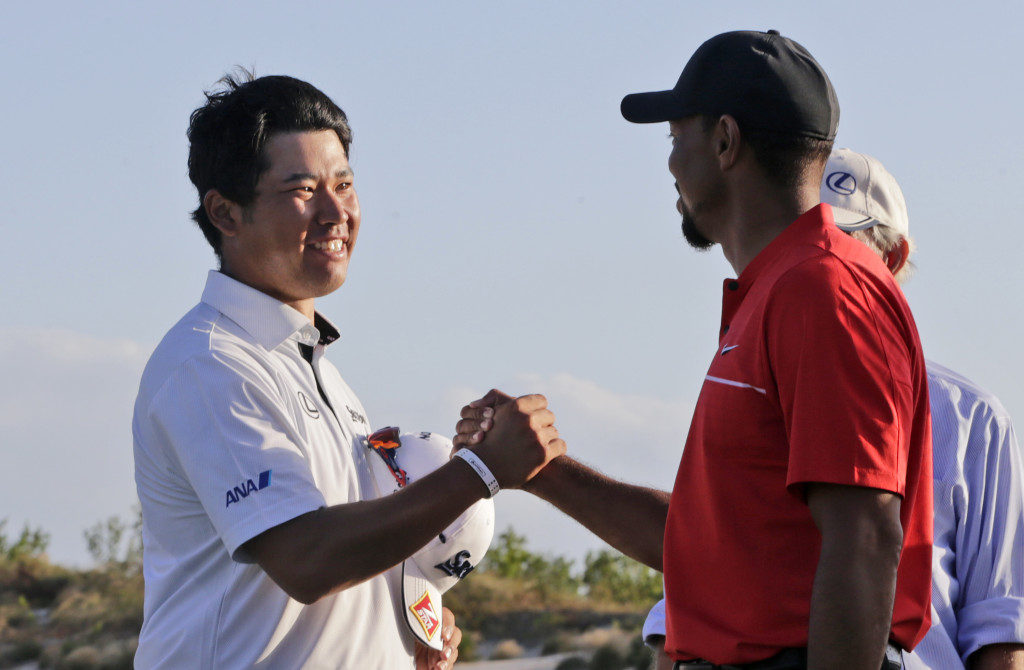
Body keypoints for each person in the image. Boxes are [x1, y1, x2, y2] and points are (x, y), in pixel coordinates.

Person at [457, 31, 932, 669]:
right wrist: (541, 468)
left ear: (726, 141)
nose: (671, 163)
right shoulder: (785, 286)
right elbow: (707, 543)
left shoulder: (822, 289)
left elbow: (865, 534)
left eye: (675, 138)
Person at [131, 72, 565, 669]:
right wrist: (479, 471)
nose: (337, 211)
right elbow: (307, 561)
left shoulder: (316, 369)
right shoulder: (209, 364)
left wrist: (402, 624)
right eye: (304, 189)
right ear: (225, 213)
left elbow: (334, 572)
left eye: (345, 183)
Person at [642, 149, 1024, 670]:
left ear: (889, 259)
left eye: (837, 242)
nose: (814, 259)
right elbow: (688, 604)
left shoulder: (975, 419)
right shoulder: (741, 382)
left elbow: (998, 631)